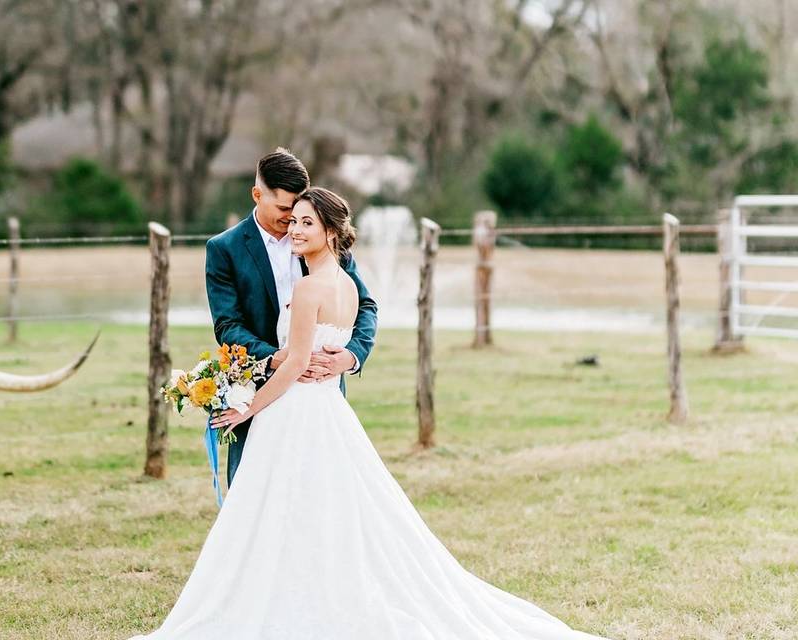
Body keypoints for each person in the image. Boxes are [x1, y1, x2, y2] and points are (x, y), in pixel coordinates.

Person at [129, 188, 609, 640]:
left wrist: (246, 408)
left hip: (294, 412)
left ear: (330, 232)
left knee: (279, 507)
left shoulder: (309, 290)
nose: (294, 231)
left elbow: (295, 362)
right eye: (292, 222)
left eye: (305, 224)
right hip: (328, 410)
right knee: (327, 506)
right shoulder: (346, 288)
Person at [203, 148, 378, 487]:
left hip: (318, 393)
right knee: (252, 492)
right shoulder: (225, 249)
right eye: (285, 209)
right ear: (257, 195)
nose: (293, 220)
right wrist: (276, 358)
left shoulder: (327, 242)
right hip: (257, 386)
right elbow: (227, 325)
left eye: (300, 210)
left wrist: (351, 356)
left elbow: (366, 305)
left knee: (323, 492)